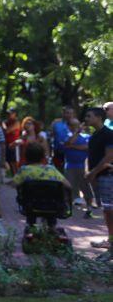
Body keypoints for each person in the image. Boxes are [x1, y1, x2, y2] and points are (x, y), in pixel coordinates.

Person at [12, 141, 71, 230]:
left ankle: (31, 227)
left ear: (26, 156)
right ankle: (51, 228)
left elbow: (14, 184)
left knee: (30, 210)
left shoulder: (24, 170)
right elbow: (68, 186)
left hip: (31, 205)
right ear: (43, 156)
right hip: (53, 205)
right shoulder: (51, 170)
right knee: (51, 213)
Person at [85, 107, 113, 261]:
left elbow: (109, 157)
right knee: (107, 210)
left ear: (99, 117)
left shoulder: (108, 134)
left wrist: (93, 173)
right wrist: (91, 174)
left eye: (89, 116)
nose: (86, 118)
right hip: (100, 177)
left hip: (108, 176)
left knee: (110, 210)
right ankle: (110, 241)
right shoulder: (94, 135)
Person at [62, 118, 94, 218]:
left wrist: (72, 146)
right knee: (68, 188)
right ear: (69, 126)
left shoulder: (86, 136)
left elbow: (87, 147)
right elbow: (67, 144)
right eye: (73, 125)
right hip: (70, 166)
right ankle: (68, 208)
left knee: (86, 188)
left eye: (77, 125)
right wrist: (75, 137)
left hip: (83, 166)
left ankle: (89, 209)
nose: (76, 127)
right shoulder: (66, 135)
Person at [51, 106, 76, 172]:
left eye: (71, 113)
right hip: (58, 152)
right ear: (63, 113)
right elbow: (51, 135)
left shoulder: (76, 123)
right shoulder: (56, 123)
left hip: (72, 151)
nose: (69, 115)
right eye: (67, 113)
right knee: (58, 171)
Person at [3, 109, 21, 175]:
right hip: (8, 144)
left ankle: (17, 177)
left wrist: (4, 126)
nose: (8, 115)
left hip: (14, 145)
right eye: (8, 114)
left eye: (10, 113)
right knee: (10, 162)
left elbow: (7, 131)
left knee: (15, 162)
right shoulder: (7, 122)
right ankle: (14, 177)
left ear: (15, 114)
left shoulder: (16, 122)